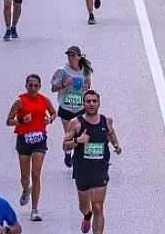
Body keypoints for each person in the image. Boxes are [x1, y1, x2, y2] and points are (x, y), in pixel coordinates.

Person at [62, 91, 121, 234]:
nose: (91, 104)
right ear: (83, 104)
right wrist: (78, 140)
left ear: (99, 103)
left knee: (98, 207)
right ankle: (87, 216)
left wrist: (116, 145)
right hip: (82, 170)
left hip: (100, 168)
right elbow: (65, 145)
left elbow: (110, 133)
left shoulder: (106, 121)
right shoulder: (76, 123)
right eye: (88, 101)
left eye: (94, 101)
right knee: (84, 207)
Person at [6, 75, 55, 221]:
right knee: (25, 177)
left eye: (36, 86)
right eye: (30, 85)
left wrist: (50, 119)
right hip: (24, 140)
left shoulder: (44, 100)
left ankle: (34, 209)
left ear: (39, 87)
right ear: (26, 86)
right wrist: (21, 120)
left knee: (36, 174)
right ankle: (26, 189)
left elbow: (53, 112)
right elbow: (8, 121)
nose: (33, 88)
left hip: (39, 139)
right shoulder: (19, 101)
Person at [51, 46, 93, 167]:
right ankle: (68, 153)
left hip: (80, 107)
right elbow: (53, 88)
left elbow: (88, 83)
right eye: (69, 56)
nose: (70, 58)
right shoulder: (62, 71)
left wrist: (86, 86)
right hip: (66, 107)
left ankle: (78, 156)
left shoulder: (85, 70)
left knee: (82, 133)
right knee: (69, 134)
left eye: (73, 56)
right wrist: (65, 84)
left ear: (79, 57)